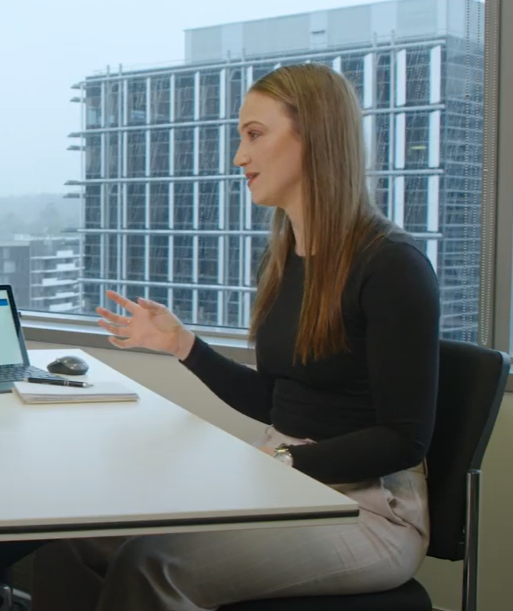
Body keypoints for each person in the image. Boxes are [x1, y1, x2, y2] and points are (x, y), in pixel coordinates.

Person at [31, 63, 440, 610]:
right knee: (72, 539)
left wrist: (284, 465)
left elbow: (403, 439)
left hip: (370, 508)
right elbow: (277, 399)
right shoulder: (281, 260)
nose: (239, 157)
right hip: (286, 477)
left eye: (254, 135)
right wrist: (183, 346)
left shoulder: (392, 265)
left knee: (152, 566)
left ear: (314, 136)